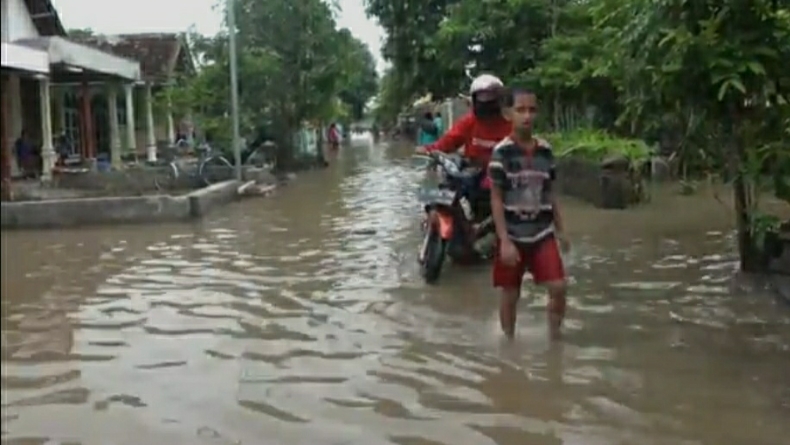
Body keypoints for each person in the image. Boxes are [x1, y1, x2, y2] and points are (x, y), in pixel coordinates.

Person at [488, 87, 569, 340]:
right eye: (520, 110)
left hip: (542, 232)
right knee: (510, 293)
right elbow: (496, 198)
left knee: (558, 286)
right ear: (507, 113)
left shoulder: (546, 150)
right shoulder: (501, 153)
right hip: (512, 233)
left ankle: (554, 338)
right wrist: (504, 241)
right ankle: (508, 343)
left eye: (532, 110)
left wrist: (561, 229)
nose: (527, 116)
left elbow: (550, 193)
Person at [416, 74, 512, 250]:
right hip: (472, 171)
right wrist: (430, 149)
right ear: (475, 99)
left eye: (491, 96)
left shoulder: (509, 124)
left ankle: (490, 233)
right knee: (439, 189)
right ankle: (436, 222)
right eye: (482, 97)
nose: (486, 101)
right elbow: (450, 140)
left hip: (498, 176)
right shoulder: (470, 122)